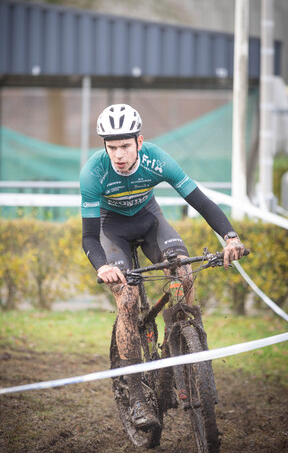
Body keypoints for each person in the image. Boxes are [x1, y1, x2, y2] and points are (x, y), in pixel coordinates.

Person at [80, 103, 246, 430]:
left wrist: (230, 237)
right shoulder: (93, 172)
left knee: (183, 271)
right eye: (111, 147)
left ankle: (184, 340)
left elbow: (199, 200)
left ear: (139, 142)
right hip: (111, 228)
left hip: (149, 221)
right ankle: (138, 401)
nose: (118, 155)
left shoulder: (158, 160)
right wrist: (102, 267)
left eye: (125, 146)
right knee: (127, 299)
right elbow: (88, 237)